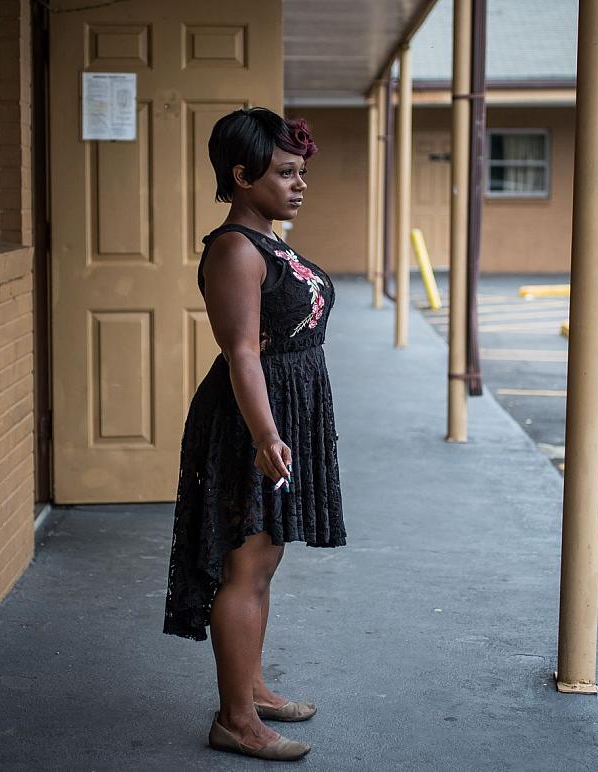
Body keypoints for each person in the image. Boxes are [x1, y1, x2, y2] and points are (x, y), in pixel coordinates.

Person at [163, 107, 346, 761]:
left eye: (302, 171)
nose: (299, 183)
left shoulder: (268, 241)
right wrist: (268, 435)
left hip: (282, 408)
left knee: (265, 562)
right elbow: (241, 351)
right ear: (242, 175)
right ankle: (235, 720)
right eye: (284, 172)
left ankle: (253, 688)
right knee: (245, 564)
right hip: (251, 418)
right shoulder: (235, 249)